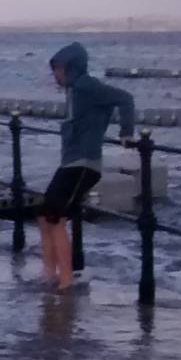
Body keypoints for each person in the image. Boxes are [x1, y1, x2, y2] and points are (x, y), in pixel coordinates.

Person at [40, 42, 134, 289]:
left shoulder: (86, 86)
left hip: (84, 164)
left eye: (59, 69)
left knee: (55, 218)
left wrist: (127, 132)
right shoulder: (72, 90)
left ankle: (65, 280)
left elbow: (125, 98)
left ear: (72, 67)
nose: (55, 75)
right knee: (44, 215)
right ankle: (48, 274)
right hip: (70, 163)